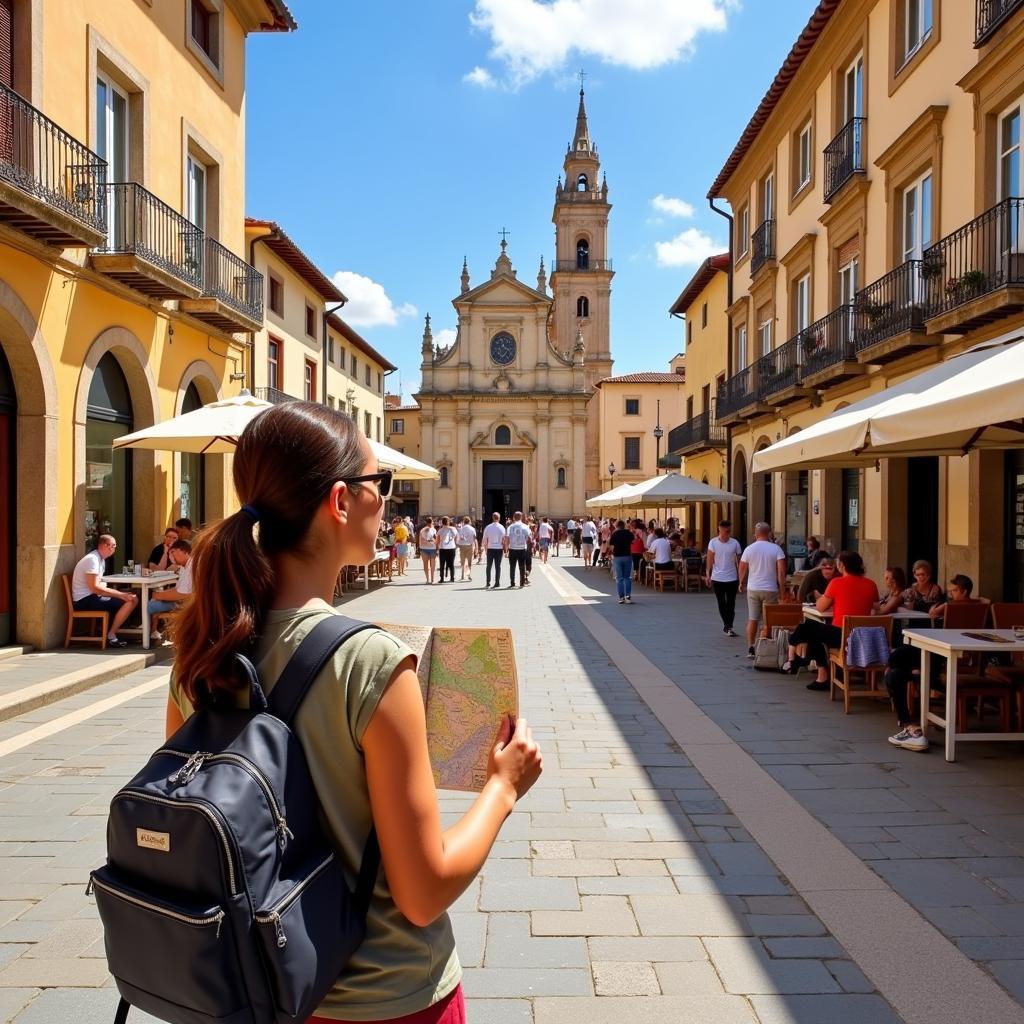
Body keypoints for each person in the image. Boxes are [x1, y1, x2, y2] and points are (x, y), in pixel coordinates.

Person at [166, 401, 541, 1023]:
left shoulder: (203, 653)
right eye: (381, 485)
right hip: (386, 997)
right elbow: (422, 893)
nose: (388, 502)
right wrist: (502, 786)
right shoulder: (373, 661)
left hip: (255, 988)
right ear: (341, 502)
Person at [885, 573, 984, 752]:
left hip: (941, 657)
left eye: (954, 591)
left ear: (965, 591)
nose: (951, 594)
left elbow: (933, 617)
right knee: (895, 669)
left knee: (894, 663)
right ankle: (911, 724)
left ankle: (909, 724)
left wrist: (944, 606)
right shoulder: (982, 606)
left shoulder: (953, 607)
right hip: (945, 656)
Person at [784, 550, 879, 690]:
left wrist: (820, 596)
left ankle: (805, 663)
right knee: (812, 631)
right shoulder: (871, 584)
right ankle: (810, 668)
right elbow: (875, 605)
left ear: (842, 566)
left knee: (809, 627)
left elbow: (821, 607)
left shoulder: (837, 583)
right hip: (863, 635)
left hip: (841, 635)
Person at [70, 535, 139, 647]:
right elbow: (95, 588)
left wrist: (120, 595)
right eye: (110, 545)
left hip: (92, 597)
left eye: (114, 546)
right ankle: (111, 635)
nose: (112, 549)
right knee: (130, 600)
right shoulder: (92, 559)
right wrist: (121, 594)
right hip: (84, 600)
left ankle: (109, 631)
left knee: (132, 598)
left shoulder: (100, 559)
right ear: (102, 545)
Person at [738, 522, 787, 658]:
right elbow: (781, 573)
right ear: (769, 533)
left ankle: (751, 647)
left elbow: (742, 567)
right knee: (769, 620)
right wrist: (782, 590)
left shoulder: (749, 549)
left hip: (753, 588)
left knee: (753, 618)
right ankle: (767, 647)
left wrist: (741, 582)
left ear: (756, 534)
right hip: (770, 589)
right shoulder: (776, 549)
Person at [147, 539, 193, 639]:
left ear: (184, 551)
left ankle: (145, 634)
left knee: (149, 606)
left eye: (173, 552)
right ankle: (152, 631)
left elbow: (182, 595)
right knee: (154, 600)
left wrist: (158, 595)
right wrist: (160, 595)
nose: (171, 556)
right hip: (185, 602)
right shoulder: (184, 566)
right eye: (169, 553)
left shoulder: (191, 566)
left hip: (187, 604)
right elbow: (178, 589)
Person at [705, 519, 742, 637]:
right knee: (721, 603)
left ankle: (729, 625)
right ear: (719, 530)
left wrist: (741, 578)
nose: (728, 533)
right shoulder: (713, 543)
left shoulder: (735, 543)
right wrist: (708, 574)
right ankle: (727, 625)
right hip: (717, 578)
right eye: (726, 531)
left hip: (732, 578)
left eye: (729, 531)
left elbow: (739, 561)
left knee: (731, 603)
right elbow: (710, 559)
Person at [609, 519, 635, 605]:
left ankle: (621, 597)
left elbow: (611, 546)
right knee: (627, 577)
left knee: (619, 578)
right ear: (624, 525)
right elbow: (633, 541)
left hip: (617, 557)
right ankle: (628, 597)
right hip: (627, 556)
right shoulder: (629, 533)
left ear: (616, 526)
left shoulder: (615, 534)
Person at [505, 512, 531, 588]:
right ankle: (522, 583)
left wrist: (506, 550)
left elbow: (507, 539)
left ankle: (512, 583)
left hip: (512, 548)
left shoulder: (510, 527)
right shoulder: (525, 526)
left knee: (512, 566)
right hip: (522, 548)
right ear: (521, 517)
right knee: (522, 566)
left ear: (513, 517)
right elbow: (529, 538)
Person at [482, 512, 506, 589]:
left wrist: (484, 547)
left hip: (490, 548)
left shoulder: (488, 527)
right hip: (499, 549)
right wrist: (505, 549)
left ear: (492, 518)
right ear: (499, 518)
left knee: (488, 566)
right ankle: (497, 582)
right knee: (498, 566)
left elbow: (484, 539)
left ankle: (488, 582)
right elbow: (504, 539)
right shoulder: (502, 527)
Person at [437, 517, 458, 583]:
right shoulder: (453, 529)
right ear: (448, 522)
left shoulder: (440, 530)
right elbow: (456, 537)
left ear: (442, 522)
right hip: (451, 548)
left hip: (442, 548)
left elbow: (438, 540)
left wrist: (437, 548)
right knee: (451, 564)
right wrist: (455, 544)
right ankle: (452, 578)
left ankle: (442, 578)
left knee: (442, 564)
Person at [418, 518, 438, 584]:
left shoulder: (422, 530)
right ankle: (432, 579)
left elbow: (420, 539)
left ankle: (427, 579)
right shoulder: (432, 530)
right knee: (433, 565)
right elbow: (434, 539)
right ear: (431, 522)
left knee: (425, 564)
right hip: (432, 548)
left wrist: (420, 547)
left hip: (424, 548)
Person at [456, 516, 477, 581]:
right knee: (469, 561)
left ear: (464, 521)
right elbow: (474, 538)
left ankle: (462, 576)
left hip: (462, 546)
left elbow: (459, 537)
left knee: (462, 561)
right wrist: (475, 547)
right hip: (469, 545)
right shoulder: (472, 529)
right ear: (469, 521)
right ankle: (469, 575)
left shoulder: (461, 528)